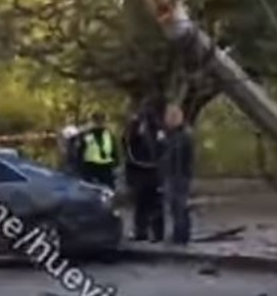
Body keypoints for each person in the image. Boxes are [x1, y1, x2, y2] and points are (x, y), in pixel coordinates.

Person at [123, 101, 164, 242]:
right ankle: (151, 233)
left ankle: (147, 232)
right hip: (149, 172)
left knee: (146, 205)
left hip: (145, 173)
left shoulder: (150, 129)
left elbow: (128, 147)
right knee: (150, 204)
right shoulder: (155, 129)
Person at [159, 103, 194, 245]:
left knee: (179, 205)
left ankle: (181, 235)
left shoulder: (181, 135)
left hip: (178, 176)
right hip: (175, 174)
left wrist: (164, 142)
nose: (167, 120)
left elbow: (176, 155)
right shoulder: (175, 135)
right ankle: (179, 233)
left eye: (170, 117)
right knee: (176, 206)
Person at [78, 112, 119, 188]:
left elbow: (114, 149)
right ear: (93, 122)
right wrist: (80, 168)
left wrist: (116, 163)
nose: (99, 123)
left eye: (102, 121)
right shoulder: (87, 134)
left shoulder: (109, 134)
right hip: (90, 167)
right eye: (97, 121)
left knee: (109, 191)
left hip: (106, 167)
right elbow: (80, 151)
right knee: (90, 191)